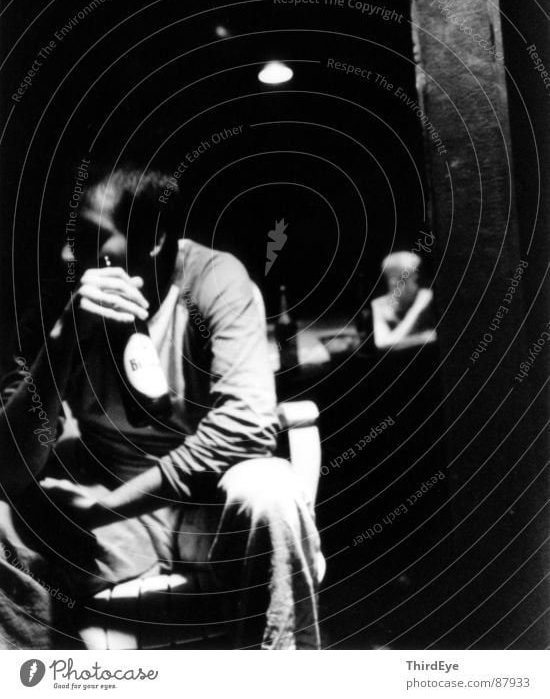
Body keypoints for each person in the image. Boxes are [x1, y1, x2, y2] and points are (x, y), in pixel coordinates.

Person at [0, 164, 321, 650]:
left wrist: (106, 508)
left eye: (90, 236)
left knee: (271, 489)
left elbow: (246, 429)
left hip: (205, 511)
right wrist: (63, 345)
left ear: (152, 239)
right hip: (112, 526)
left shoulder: (213, 279)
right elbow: (9, 466)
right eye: (67, 238)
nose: (68, 253)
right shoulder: (58, 302)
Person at [371, 251, 436, 351]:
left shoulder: (428, 299)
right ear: (395, 283)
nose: (417, 286)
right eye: (413, 279)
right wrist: (416, 309)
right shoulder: (378, 305)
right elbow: (383, 343)